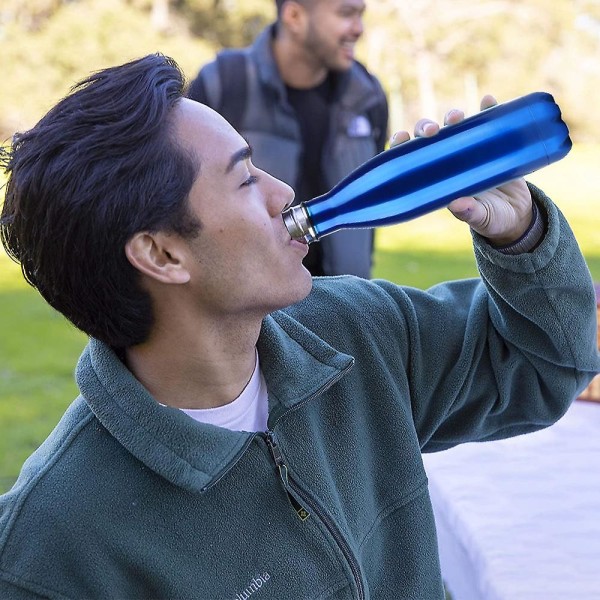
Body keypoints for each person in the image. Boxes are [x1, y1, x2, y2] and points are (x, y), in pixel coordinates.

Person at [0, 53, 598, 600]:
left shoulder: (354, 331)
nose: (283, 191)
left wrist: (519, 238)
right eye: (243, 178)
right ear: (162, 255)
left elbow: (545, 365)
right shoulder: (52, 547)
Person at [187, 0, 388, 279]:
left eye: (360, 14)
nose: (358, 29)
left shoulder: (368, 95)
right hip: (256, 311)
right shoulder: (224, 83)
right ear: (294, 15)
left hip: (348, 304)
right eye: (346, 13)